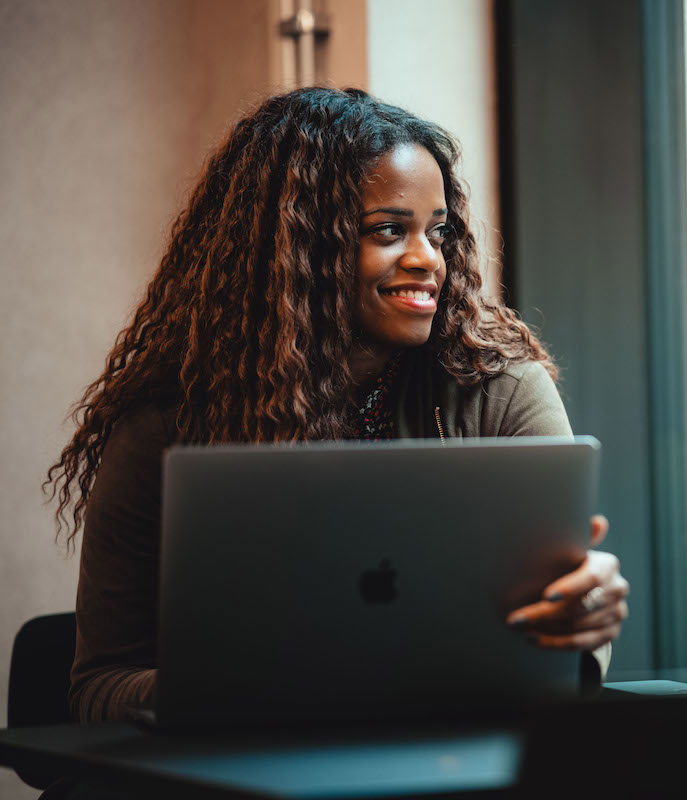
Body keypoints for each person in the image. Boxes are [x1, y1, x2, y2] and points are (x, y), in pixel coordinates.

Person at [45, 86, 629, 725]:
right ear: (291, 252)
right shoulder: (164, 426)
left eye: (438, 232)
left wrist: (585, 622)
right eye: (387, 231)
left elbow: (568, 661)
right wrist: (228, 688)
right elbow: (99, 688)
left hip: (445, 755)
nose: (427, 260)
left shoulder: (497, 386)